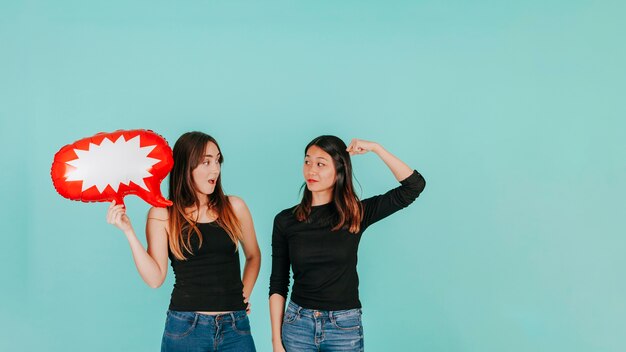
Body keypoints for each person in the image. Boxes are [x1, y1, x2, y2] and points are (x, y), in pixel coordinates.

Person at [269, 135, 426, 352]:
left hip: (344, 328)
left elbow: (414, 186)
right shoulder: (285, 220)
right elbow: (278, 282)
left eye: (320, 164)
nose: (311, 170)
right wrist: (276, 341)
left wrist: (376, 148)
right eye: (307, 161)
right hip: (298, 326)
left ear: (339, 170)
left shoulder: (357, 214)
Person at [107, 131, 260, 352]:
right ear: (186, 166)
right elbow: (155, 278)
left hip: (235, 328)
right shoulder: (163, 214)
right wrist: (128, 231)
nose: (215, 169)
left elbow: (254, 256)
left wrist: (243, 295)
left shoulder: (234, 207)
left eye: (218, 160)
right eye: (206, 161)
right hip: (186, 329)